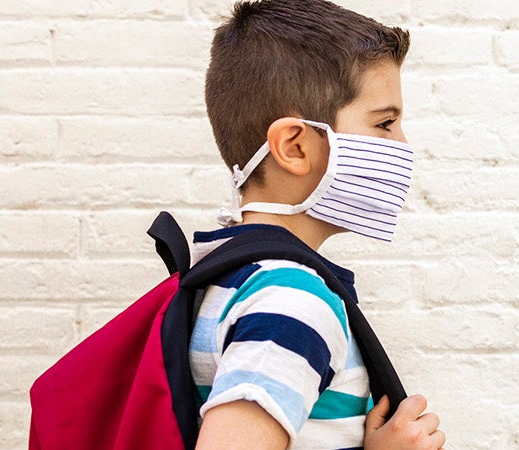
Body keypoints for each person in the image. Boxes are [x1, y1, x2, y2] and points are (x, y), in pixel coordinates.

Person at [188, 1, 442, 449]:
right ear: (296, 147)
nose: (402, 146)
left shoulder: (234, 274)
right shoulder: (291, 303)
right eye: (385, 123)